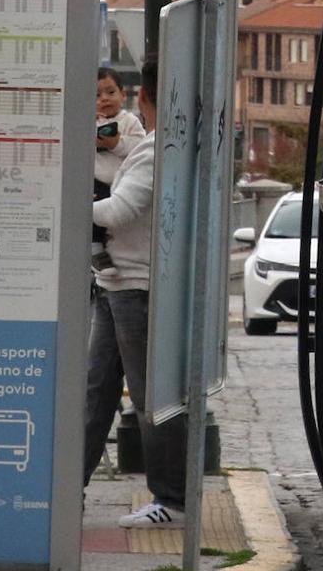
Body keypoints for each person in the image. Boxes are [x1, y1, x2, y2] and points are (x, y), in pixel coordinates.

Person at [83, 56, 188, 529]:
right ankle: (69, 486)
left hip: (135, 287)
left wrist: (75, 204)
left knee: (149, 398)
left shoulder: (153, 149)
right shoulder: (156, 145)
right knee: (95, 394)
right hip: (114, 284)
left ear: (141, 96)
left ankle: (173, 499)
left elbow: (122, 211)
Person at [92, 67, 146, 273]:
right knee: (95, 213)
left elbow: (140, 147)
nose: (104, 99)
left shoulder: (129, 121)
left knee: (117, 216)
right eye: (97, 95)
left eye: (111, 92)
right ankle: (95, 250)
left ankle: (115, 250)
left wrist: (115, 143)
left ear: (123, 96)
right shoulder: (90, 121)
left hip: (121, 182)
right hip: (97, 181)